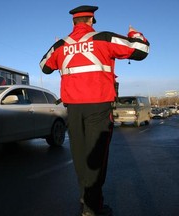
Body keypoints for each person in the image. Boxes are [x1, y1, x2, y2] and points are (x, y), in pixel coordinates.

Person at [39, 5, 149, 216]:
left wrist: (56, 49)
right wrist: (134, 33)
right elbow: (142, 49)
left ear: (73, 23)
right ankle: (92, 207)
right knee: (96, 158)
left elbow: (44, 66)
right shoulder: (104, 38)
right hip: (98, 106)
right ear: (91, 21)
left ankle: (85, 198)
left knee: (81, 158)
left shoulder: (61, 45)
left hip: (73, 109)